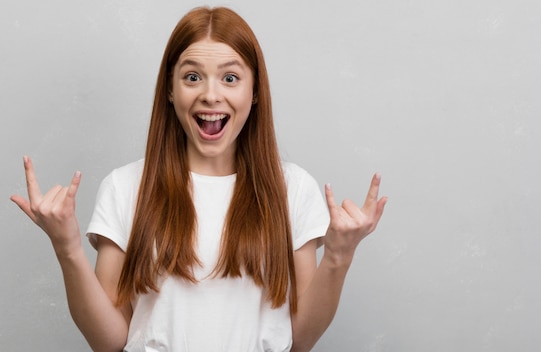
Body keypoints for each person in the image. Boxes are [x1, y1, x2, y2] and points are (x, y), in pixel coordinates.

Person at [10, 6, 387, 352]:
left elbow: (300, 339)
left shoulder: (294, 190)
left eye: (230, 77)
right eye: (192, 76)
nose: (211, 95)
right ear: (171, 91)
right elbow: (109, 341)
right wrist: (67, 248)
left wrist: (339, 256)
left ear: (254, 92)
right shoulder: (125, 188)